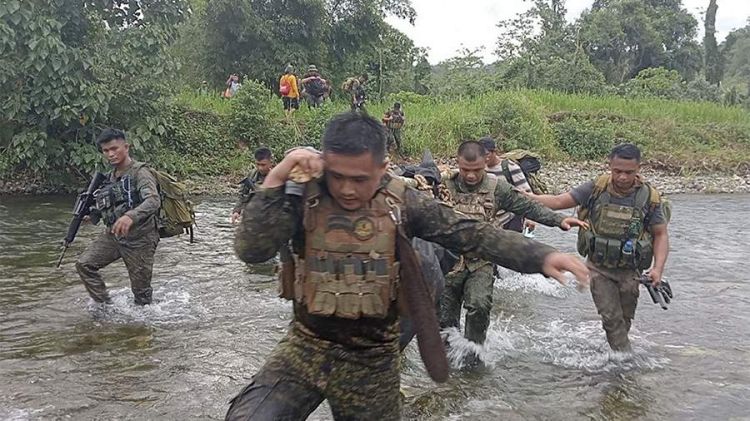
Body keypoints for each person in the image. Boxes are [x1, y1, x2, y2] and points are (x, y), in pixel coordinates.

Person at [226, 112, 589, 420]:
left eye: (360, 179)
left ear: (383, 168)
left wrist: (541, 256)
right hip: (306, 346)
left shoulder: (403, 202)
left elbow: (471, 234)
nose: (348, 190)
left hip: (372, 359)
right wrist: (279, 176)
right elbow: (252, 250)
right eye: (337, 177)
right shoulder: (303, 192)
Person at [438, 140, 588, 351]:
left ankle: (474, 353)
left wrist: (557, 220)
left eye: (477, 170)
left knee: (479, 306)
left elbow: (527, 205)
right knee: (445, 315)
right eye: (465, 170)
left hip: (481, 260)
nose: (471, 176)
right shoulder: (443, 184)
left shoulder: (496, 187)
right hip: (448, 261)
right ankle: (448, 358)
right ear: (457, 163)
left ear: (485, 164)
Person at [527, 143, 669, 352]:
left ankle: (617, 356)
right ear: (609, 165)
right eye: (617, 171)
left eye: (628, 172)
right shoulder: (595, 188)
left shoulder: (650, 197)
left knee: (624, 318)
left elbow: (661, 234)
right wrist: (524, 198)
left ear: (639, 168)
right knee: (611, 318)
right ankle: (624, 362)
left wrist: (658, 269)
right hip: (598, 268)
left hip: (631, 271)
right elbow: (558, 202)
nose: (622, 177)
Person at [75, 129, 161, 305]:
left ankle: (142, 328)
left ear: (126, 147)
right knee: (84, 264)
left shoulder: (140, 172)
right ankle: (104, 306)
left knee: (141, 295)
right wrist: (92, 216)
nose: (111, 154)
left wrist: (130, 216)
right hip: (114, 234)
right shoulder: (109, 177)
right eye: (106, 151)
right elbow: (109, 204)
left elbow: (153, 200)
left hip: (140, 239)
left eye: (114, 148)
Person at [479, 136, 535, 232]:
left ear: (494, 152)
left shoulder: (510, 168)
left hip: (511, 219)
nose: (484, 158)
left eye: (486, 154)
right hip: (490, 219)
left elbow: (527, 193)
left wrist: (531, 218)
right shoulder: (479, 169)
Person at [230, 147, 274, 224]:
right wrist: (237, 211)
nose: (260, 168)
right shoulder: (252, 175)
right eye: (258, 164)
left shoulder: (277, 177)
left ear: (271, 162)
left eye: (263, 165)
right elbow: (242, 195)